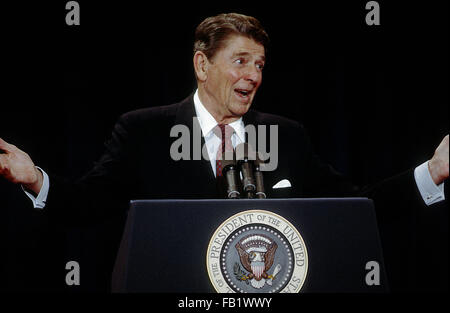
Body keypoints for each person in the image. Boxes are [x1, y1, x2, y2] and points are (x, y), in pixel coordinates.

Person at [0, 13, 448, 291]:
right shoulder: (146, 130)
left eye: (260, 64)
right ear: (202, 65)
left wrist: (432, 172)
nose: (253, 74)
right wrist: (36, 179)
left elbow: (353, 204)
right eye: (240, 61)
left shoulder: (285, 135)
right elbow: (89, 203)